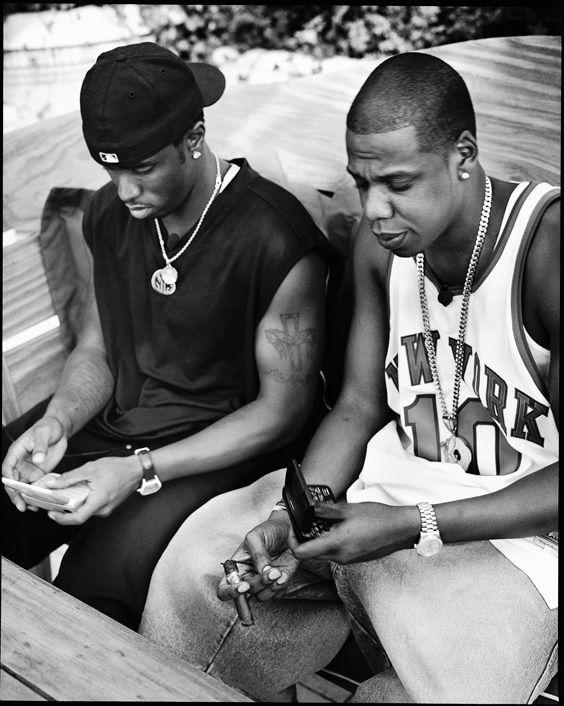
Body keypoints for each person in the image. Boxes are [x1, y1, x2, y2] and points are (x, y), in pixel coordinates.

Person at [139, 52, 559, 703]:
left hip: (509, 548)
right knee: (200, 573)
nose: (375, 209)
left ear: (464, 154)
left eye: (396, 183)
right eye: (361, 183)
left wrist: (414, 525)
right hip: (369, 504)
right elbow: (359, 405)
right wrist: (294, 513)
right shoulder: (380, 244)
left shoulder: (547, 256)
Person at [1, 42, 330, 630]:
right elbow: (98, 347)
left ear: (194, 137)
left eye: (143, 168)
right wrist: (58, 421)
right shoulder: (110, 214)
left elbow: (281, 414)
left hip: (217, 457)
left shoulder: (276, 239)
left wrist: (139, 471)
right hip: (118, 429)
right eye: (110, 169)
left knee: (85, 609)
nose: (124, 190)